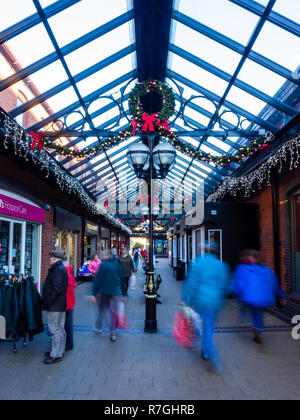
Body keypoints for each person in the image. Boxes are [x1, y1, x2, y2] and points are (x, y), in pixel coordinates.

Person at [183, 242, 230, 372]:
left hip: (200, 300)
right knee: (208, 327)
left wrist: (186, 300)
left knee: (198, 325)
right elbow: (224, 284)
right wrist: (221, 301)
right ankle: (205, 352)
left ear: (205, 250)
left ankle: (209, 352)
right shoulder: (221, 265)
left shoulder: (198, 263)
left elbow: (192, 283)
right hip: (214, 302)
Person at [231, 249, 285, 345]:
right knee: (258, 313)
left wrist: (236, 294)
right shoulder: (267, 270)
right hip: (264, 298)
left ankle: (253, 325)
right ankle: (258, 329)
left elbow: (237, 284)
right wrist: (282, 296)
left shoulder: (241, 269)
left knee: (252, 311)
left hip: (249, 298)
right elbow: (274, 284)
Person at [42, 251, 68, 365]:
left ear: (55, 258)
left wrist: (48, 301)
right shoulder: (60, 268)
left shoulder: (58, 270)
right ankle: (59, 351)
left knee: (55, 330)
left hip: (55, 305)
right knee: (60, 329)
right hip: (59, 304)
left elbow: (56, 289)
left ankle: (56, 355)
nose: (49, 259)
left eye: (50, 257)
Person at [92, 250, 122, 342]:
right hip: (115, 293)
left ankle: (99, 327)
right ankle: (113, 332)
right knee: (113, 313)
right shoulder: (115, 264)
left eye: (103, 255)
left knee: (102, 311)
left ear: (105, 256)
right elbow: (118, 280)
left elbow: (98, 280)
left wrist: (94, 293)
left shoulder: (103, 265)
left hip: (105, 293)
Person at [64, 261, 77, 352]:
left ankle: (68, 344)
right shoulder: (71, 277)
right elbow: (74, 287)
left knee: (66, 325)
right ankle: (69, 343)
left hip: (66, 304)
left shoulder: (66, 277)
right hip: (70, 304)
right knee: (68, 325)